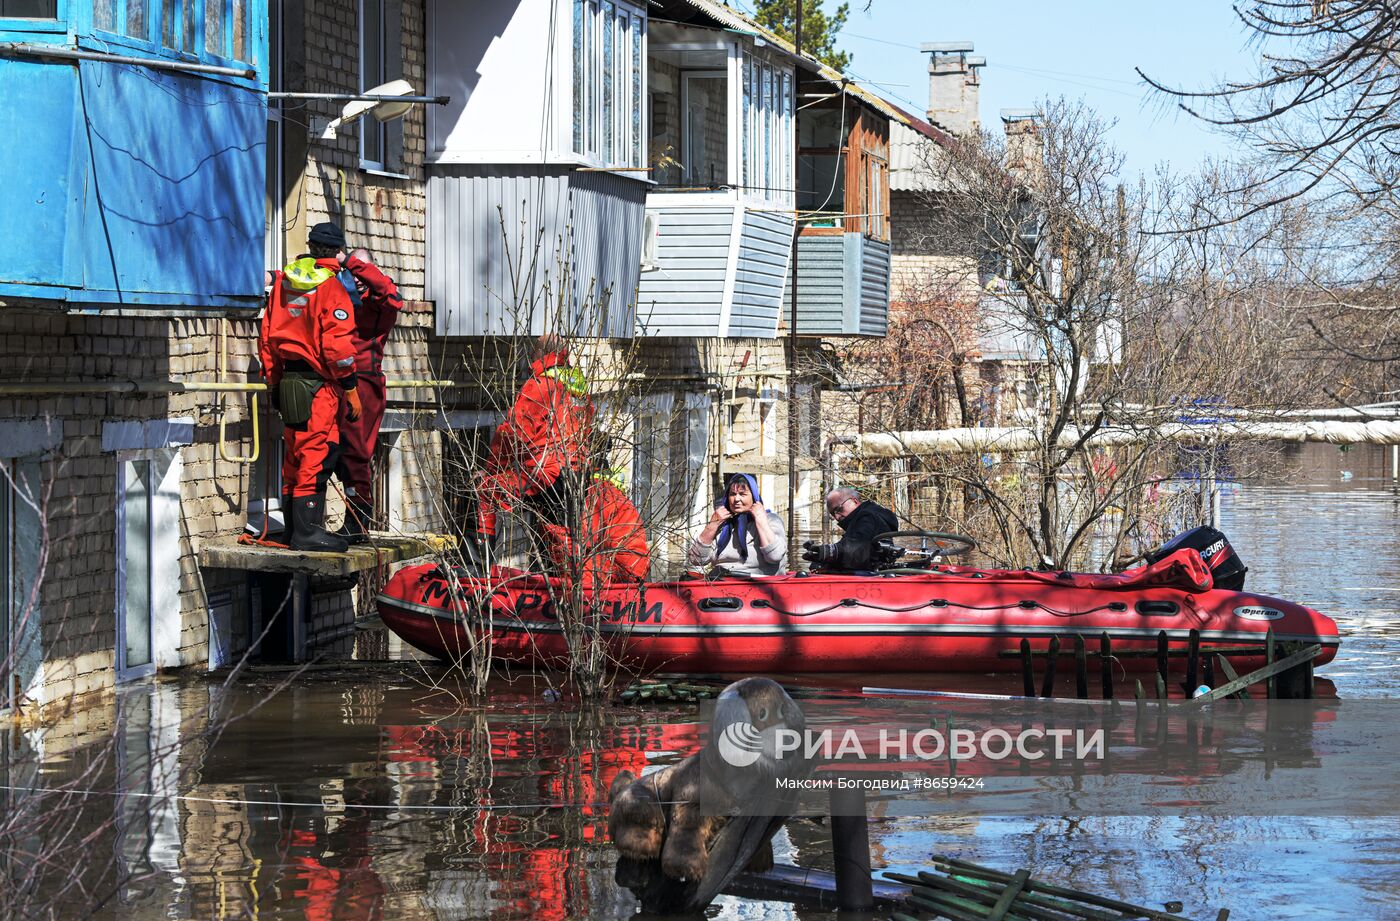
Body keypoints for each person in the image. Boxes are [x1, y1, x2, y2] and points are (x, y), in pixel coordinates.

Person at [259, 221, 362, 552]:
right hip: (319, 386)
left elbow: (268, 338)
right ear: (336, 252)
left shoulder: (284, 284)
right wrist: (350, 389)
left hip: (288, 381)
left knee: (295, 453)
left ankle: (293, 530)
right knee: (317, 453)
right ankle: (307, 532)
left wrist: (274, 384)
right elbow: (338, 348)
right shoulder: (332, 289)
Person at [474, 336, 594, 556]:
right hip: (577, 473)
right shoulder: (577, 389)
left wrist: (492, 470)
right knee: (556, 529)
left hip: (549, 471)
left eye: (533, 351)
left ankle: (476, 566)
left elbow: (513, 433)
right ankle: (559, 575)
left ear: (542, 353)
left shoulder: (542, 386)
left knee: (486, 489)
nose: (530, 357)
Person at [331, 245, 405, 543]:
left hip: (364, 384)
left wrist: (350, 262)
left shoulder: (379, 302)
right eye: (351, 271)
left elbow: (391, 295)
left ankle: (358, 520)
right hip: (335, 382)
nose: (356, 277)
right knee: (330, 451)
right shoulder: (341, 294)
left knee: (356, 453)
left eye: (361, 270)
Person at [539, 468, 650, 591]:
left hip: (593, 592)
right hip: (599, 591)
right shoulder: (612, 500)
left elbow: (632, 565)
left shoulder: (605, 500)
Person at [688, 473, 786, 577]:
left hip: (759, 585)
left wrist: (761, 520)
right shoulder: (722, 523)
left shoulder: (771, 520)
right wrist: (712, 526)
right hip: (721, 584)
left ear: (754, 497)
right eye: (732, 494)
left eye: (742, 494)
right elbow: (696, 560)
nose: (736, 499)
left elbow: (775, 556)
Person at [802, 487, 898, 572]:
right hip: (872, 572)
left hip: (872, 576)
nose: (836, 517)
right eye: (832, 514)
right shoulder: (864, 518)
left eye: (839, 509)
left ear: (854, 501)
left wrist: (829, 552)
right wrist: (823, 559)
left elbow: (856, 548)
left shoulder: (868, 517)